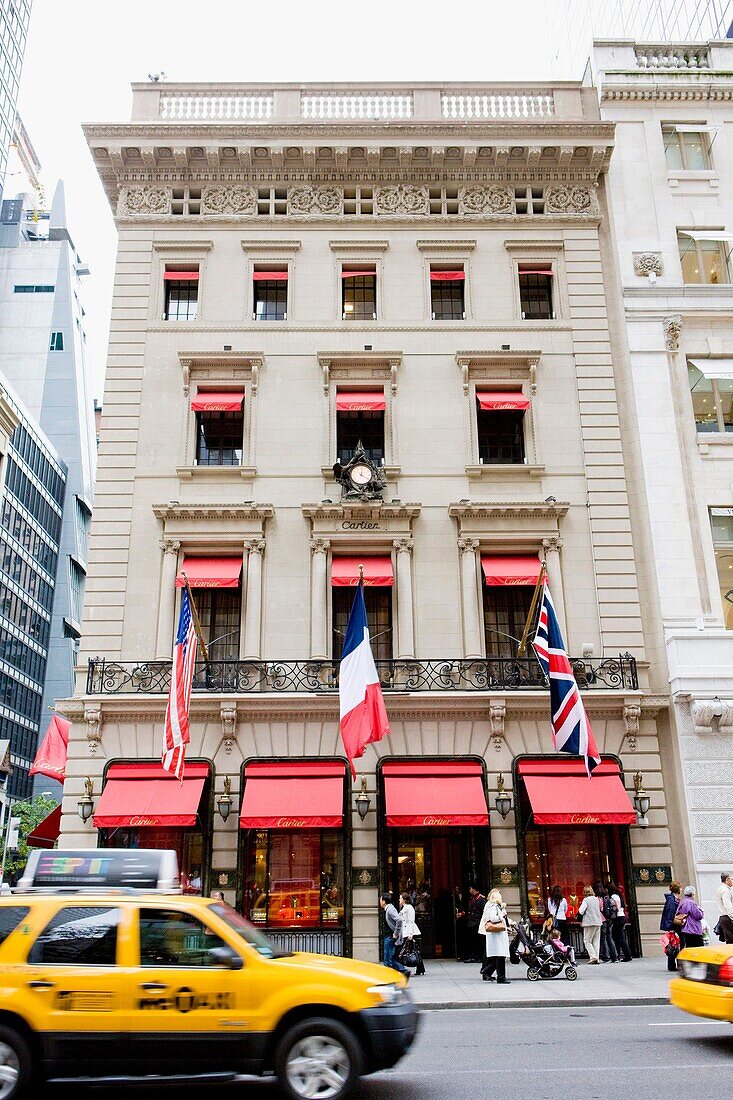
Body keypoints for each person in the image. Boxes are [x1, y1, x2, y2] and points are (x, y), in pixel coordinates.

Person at [478, 888, 511, 983]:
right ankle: (494, 974)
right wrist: (502, 915)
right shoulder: (492, 906)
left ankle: (491, 972)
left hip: (497, 935)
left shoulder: (496, 906)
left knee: (499, 956)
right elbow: (493, 919)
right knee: (498, 956)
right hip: (495, 935)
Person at [379, 893, 409, 978]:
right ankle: (403, 971)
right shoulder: (388, 909)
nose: (380, 902)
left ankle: (389, 977)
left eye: (380, 900)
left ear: (384, 901)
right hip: (389, 936)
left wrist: (395, 934)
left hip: (390, 937)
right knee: (391, 958)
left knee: (387, 959)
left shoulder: (390, 909)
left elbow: (399, 920)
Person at [396, 891, 425, 975]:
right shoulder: (404, 908)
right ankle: (420, 969)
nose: (399, 900)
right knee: (413, 950)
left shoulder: (409, 908)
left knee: (409, 950)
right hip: (405, 932)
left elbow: (411, 921)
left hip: (409, 932)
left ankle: (403, 968)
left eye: (400, 898)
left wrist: (410, 934)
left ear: (404, 899)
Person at [659, 881, 682, 970]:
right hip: (674, 926)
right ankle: (672, 965)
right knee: (674, 945)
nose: (681, 889)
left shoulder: (672, 899)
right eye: (680, 887)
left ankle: (672, 965)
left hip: (673, 925)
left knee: (673, 945)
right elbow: (670, 914)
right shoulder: (672, 900)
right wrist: (671, 928)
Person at [608, 881, 632, 961]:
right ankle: (620, 954)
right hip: (621, 917)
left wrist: (612, 914)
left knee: (619, 937)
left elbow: (617, 907)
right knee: (618, 937)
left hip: (618, 917)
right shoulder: (618, 895)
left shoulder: (614, 896)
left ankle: (626, 955)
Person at [578, 884, 603, 963]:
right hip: (598, 921)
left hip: (589, 922)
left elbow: (581, 911)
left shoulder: (586, 900)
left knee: (587, 940)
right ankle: (597, 958)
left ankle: (593, 957)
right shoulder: (596, 899)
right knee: (596, 941)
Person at [462, 884, 486, 963]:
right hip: (471, 923)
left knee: (478, 941)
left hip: (477, 923)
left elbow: (483, 912)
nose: (470, 890)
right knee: (472, 941)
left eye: (470, 888)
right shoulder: (472, 899)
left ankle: (479, 956)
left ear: (474, 889)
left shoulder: (481, 899)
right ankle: (474, 956)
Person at [714, 872, 733, 944]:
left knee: (729, 941)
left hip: (724, 917)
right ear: (727, 880)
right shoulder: (725, 890)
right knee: (731, 942)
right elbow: (728, 907)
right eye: (732, 879)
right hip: (728, 918)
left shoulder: (720, 889)